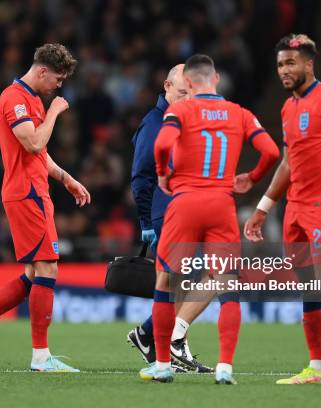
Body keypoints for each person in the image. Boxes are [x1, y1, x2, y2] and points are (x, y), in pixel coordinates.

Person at [140, 54, 279, 383]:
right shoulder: (239, 113)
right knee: (227, 283)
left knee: (165, 281)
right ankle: (225, 367)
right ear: (216, 79)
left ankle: (162, 364)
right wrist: (253, 177)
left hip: (185, 202)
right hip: (222, 204)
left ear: (188, 83)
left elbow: (162, 144)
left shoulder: (180, 110)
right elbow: (272, 152)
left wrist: (163, 175)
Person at [0, 43, 90, 373]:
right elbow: (33, 142)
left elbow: (38, 152)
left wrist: (65, 177)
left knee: (33, 273)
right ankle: (41, 357)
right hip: (26, 194)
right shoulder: (14, 98)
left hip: (35, 189)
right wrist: (55, 110)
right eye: (57, 78)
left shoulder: (32, 100)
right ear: (42, 71)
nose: (59, 86)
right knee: (48, 269)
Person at [244, 34, 321, 386]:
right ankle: (317, 368)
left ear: (309, 63)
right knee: (311, 287)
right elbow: (288, 162)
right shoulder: (288, 108)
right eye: (281, 64)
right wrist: (264, 207)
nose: (284, 70)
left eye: (291, 63)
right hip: (295, 210)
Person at [129, 63, 212, 373]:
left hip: (183, 210)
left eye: (191, 93)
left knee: (181, 281)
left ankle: (156, 337)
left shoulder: (181, 120)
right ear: (166, 86)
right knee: (192, 277)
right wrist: (146, 223)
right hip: (165, 214)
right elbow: (140, 177)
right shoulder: (155, 124)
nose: (187, 98)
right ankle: (167, 341)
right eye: (181, 92)